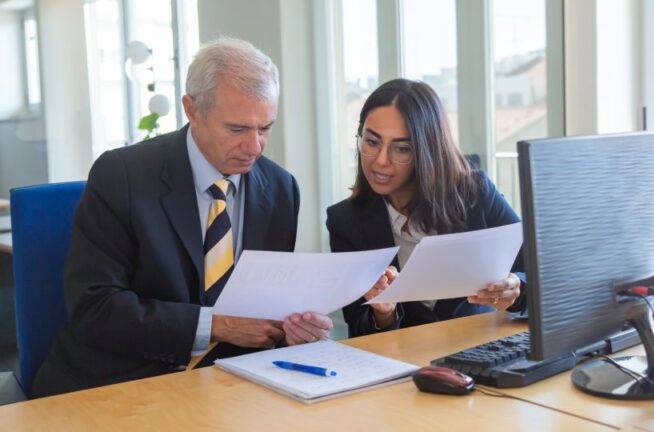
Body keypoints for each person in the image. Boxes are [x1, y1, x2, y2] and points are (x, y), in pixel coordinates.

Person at [31, 38, 331, 397]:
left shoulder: (280, 188)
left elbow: (264, 302)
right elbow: (95, 308)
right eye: (237, 129)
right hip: (123, 381)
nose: (254, 147)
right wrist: (215, 326)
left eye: (265, 128)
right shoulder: (122, 175)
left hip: (233, 384)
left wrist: (293, 328)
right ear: (192, 109)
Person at [326, 79, 526, 338]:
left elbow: (538, 271)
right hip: (402, 364)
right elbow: (358, 326)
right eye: (372, 142)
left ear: (427, 150)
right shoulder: (345, 221)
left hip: (480, 352)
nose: (381, 161)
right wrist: (384, 314)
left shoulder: (475, 193)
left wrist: (516, 288)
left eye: (402, 148)